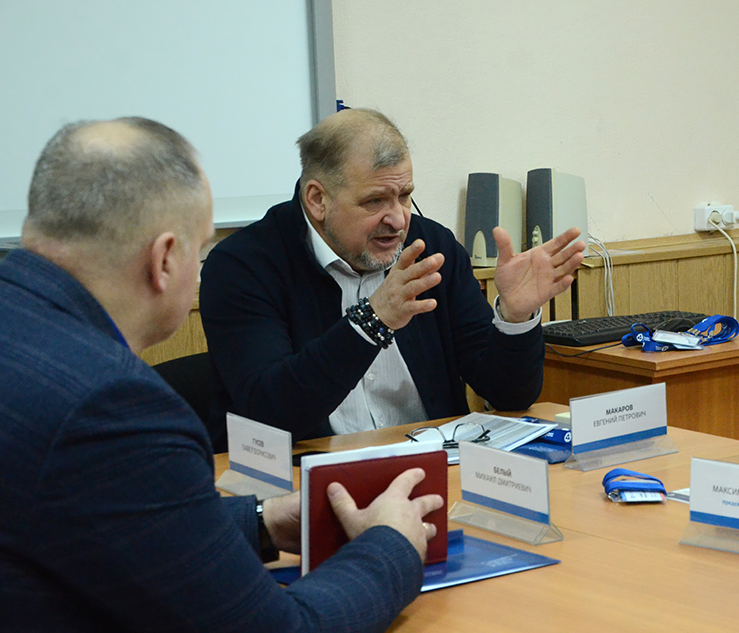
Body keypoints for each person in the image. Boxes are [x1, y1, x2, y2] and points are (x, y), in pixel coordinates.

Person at [0, 118, 442, 633]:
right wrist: (391, 547)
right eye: (202, 252)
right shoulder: (115, 406)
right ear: (165, 260)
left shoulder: (20, 330)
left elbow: (94, 516)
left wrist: (261, 521)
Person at [199, 108, 586, 448]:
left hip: (433, 468)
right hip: (304, 480)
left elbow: (508, 395)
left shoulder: (431, 248)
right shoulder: (243, 266)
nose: (399, 220)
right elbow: (271, 413)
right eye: (375, 201)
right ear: (318, 200)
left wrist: (515, 319)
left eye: (404, 196)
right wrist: (371, 321)